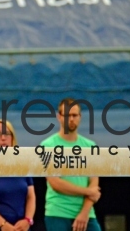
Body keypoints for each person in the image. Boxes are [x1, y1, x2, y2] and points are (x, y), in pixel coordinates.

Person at [41, 98, 102, 231]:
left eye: (74, 115)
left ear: (80, 117)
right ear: (59, 117)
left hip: (86, 213)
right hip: (58, 212)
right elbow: (55, 183)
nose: (71, 119)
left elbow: (94, 184)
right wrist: (87, 191)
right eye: (67, 115)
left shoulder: (90, 146)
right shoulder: (48, 145)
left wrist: (84, 213)